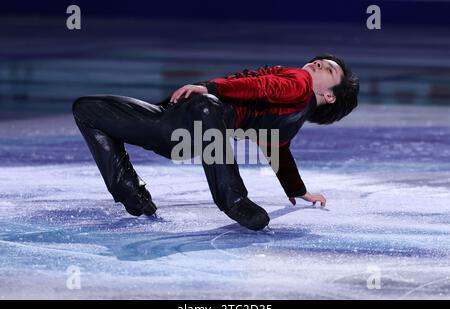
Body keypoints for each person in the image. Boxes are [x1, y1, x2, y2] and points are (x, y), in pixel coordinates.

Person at [72, 54, 359, 231]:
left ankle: (233, 199)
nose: (319, 63)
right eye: (321, 61)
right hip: (180, 130)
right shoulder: (294, 108)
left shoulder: (298, 83)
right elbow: (275, 143)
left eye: (328, 70)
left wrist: (209, 88)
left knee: (86, 109)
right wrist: (299, 190)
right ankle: (130, 192)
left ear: (330, 96)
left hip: (191, 126)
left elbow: (263, 91)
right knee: (87, 111)